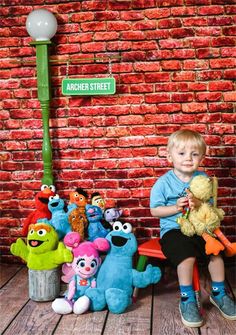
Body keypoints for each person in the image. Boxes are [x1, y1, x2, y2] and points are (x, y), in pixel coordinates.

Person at [150, 129, 236, 327]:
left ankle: (219, 293)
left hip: (199, 228)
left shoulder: (202, 179)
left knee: (215, 253)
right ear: (169, 156)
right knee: (186, 256)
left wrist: (198, 203)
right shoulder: (163, 183)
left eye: (194, 154)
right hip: (173, 229)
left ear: (202, 157)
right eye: (181, 154)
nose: (188, 158)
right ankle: (187, 298)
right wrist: (175, 207)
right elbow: (155, 211)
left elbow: (210, 207)